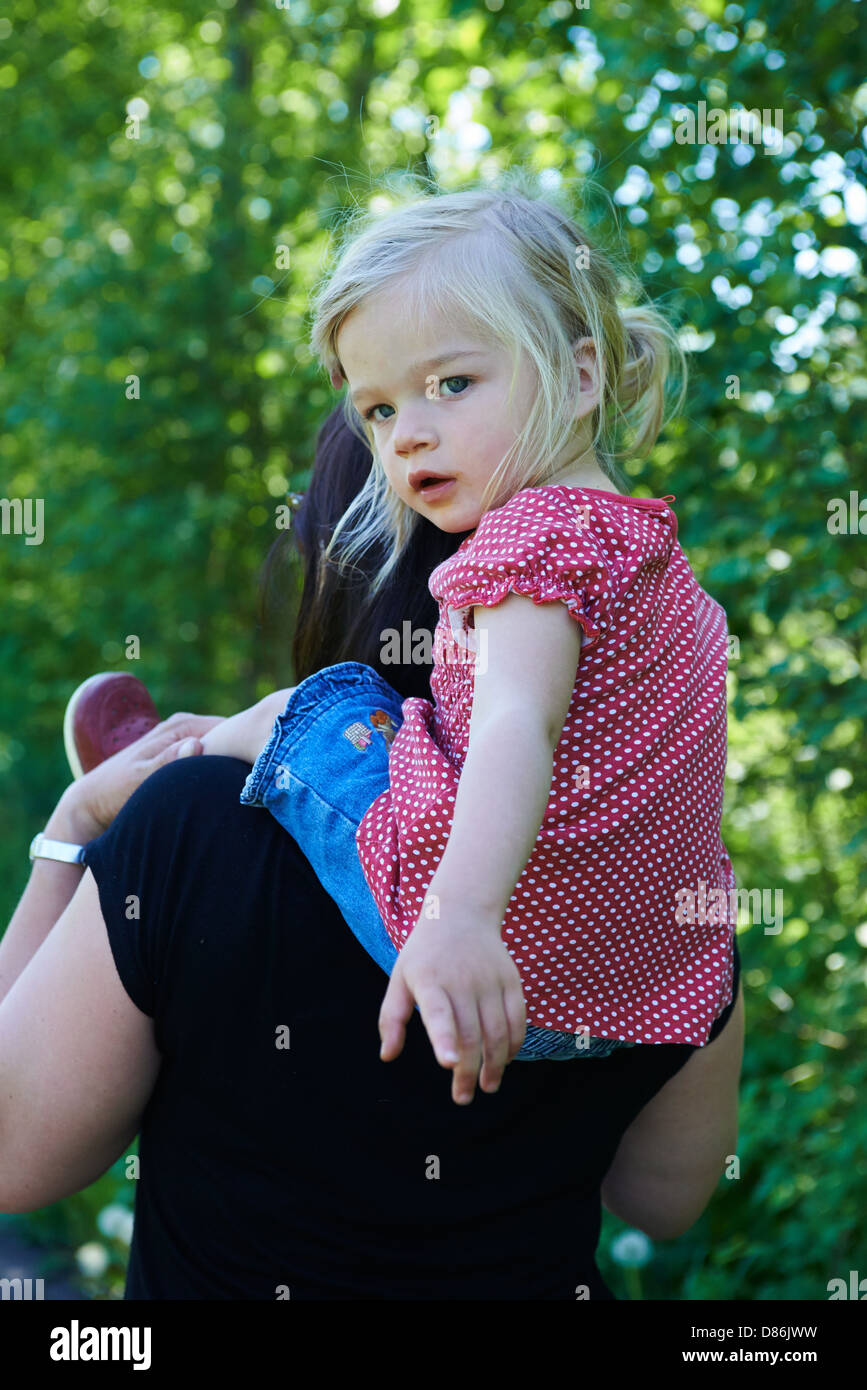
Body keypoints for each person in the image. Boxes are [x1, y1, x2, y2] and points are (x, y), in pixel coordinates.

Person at [0, 404, 743, 1300]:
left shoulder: (187, 831)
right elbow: (662, 1203)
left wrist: (75, 830)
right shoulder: (671, 912)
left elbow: (11, 1155)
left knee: (213, 782)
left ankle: (224, 743)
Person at [192, 185, 738, 1106]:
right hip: (632, 1004)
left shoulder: (533, 537)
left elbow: (517, 722)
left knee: (329, 707)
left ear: (578, 377)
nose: (409, 434)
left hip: (482, 965)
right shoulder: (663, 569)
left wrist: (461, 919)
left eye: (450, 384)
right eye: (376, 410)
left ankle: (177, 757)